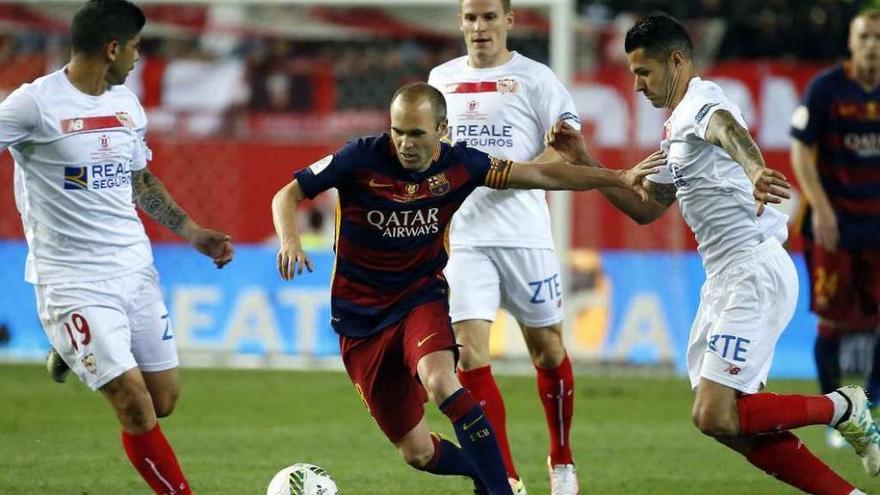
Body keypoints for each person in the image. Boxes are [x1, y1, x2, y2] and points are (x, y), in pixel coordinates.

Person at [271, 82, 661, 495]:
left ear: (442, 129)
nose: (404, 143)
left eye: (416, 133)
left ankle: (501, 489)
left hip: (419, 298)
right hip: (360, 320)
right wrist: (290, 239)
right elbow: (287, 194)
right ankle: (479, 473)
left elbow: (541, 172)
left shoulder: (462, 164)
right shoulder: (360, 156)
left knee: (442, 381)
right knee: (417, 452)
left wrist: (616, 176)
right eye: (397, 131)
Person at [547, 12, 880, 494]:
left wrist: (752, 170)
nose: (637, 85)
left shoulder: (704, 102)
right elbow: (645, 208)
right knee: (729, 427)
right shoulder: (675, 132)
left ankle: (843, 407)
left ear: (677, 61)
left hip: (754, 271)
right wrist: (583, 161)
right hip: (722, 280)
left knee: (715, 411)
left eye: (644, 72)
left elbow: (727, 130)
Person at [0, 1, 234, 493]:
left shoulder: (126, 105)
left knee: (162, 399)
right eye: (134, 47)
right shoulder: (34, 104)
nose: (136, 57)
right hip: (71, 280)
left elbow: (139, 179)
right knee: (133, 404)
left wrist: (192, 231)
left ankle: (70, 348)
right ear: (111, 49)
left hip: (133, 269)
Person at [427, 1, 582, 491]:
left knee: (548, 350)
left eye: (489, 17)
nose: (479, 27)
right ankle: (507, 478)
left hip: (525, 236)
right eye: (471, 18)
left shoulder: (536, 78)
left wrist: (521, 173)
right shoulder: (441, 77)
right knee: (470, 358)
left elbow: (568, 141)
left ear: (509, 21)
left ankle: (561, 459)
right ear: (460, 23)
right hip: (466, 238)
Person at [790, 8, 880, 449]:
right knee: (831, 320)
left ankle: (873, 407)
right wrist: (822, 208)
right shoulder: (825, 89)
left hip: (877, 226)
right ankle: (838, 413)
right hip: (833, 226)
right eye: (865, 37)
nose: (872, 46)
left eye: (878, 38)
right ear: (851, 41)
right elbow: (801, 153)